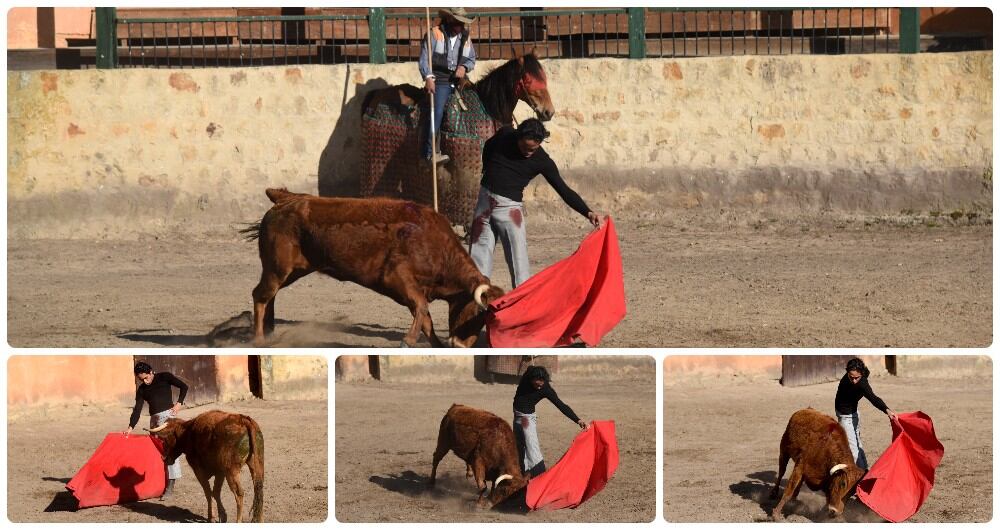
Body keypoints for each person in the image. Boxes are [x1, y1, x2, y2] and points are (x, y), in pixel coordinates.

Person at [470, 118, 602, 288]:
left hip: (509, 210)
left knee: (519, 263)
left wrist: (588, 212)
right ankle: (474, 302)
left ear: (540, 143)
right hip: (484, 201)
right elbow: (488, 145)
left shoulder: (542, 161)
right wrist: (487, 170)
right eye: (525, 147)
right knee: (478, 256)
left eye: (532, 149)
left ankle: (522, 304)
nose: (528, 152)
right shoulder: (505, 134)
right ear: (518, 137)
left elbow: (563, 190)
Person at [418, 7, 477, 165]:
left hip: (458, 80)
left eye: (463, 24)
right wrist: (428, 78)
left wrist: (464, 67)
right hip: (440, 80)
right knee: (437, 112)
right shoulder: (434, 34)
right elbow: (425, 58)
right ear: (450, 20)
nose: (461, 27)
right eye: (459, 23)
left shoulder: (465, 37)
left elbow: (471, 58)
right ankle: (428, 153)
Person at [124, 361, 189, 499]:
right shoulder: (142, 389)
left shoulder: (164, 377)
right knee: (156, 452)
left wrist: (179, 403)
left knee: (170, 451)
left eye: (145, 377)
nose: (145, 381)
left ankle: (170, 487)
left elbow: (184, 387)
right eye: (141, 379)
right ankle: (158, 483)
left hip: (168, 419)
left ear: (150, 372)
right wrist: (130, 427)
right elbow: (137, 409)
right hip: (154, 421)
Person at [512, 365, 587, 476]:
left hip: (526, 420)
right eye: (537, 384)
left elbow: (561, 405)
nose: (538, 388)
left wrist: (578, 420)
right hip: (517, 417)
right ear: (531, 378)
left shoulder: (546, 389)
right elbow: (530, 367)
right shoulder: (527, 376)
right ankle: (523, 477)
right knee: (519, 449)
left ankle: (540, 476)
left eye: (541, 384)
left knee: (532, 447)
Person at [835, 357, 898, 470]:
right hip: (845, 417)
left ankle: (862, 473)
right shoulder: (849, 381)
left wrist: (887, 410)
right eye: (851, 377)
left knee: (857, 447)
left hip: (853, 414)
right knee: (854, 450)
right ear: (847, 373)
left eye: (856, 378)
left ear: (862, 374)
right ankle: (857, 476)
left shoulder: (862, 382)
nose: (854, 381)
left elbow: (873, 398)